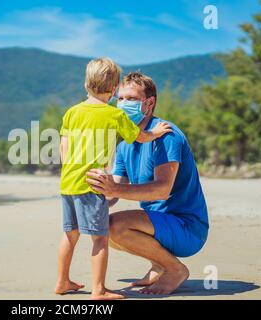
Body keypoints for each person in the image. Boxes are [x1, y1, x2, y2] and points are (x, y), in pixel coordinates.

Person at [55, 59, 171, 300]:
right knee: (100, 238)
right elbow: (139, 137)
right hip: (92, 184)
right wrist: (156, 133)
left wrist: (71, 170)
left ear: (86, 83)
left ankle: (62, 281)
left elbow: (63, 147)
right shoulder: (114, 114)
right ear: (114, 87)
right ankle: (98, 290)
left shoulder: (72, 112)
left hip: (68, 183)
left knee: (70, 234)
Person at [86, 71, 209, 295]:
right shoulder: (125, 144)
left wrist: (114, 188)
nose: (123, 104)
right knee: (101, 225)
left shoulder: (166, 135)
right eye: (120, 98)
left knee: (116, 226)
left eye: (131, 99)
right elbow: (113, 194)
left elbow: (162, 191)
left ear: (149, 103)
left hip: (188, 229)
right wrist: (92, 192)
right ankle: (160, 265)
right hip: (160, 225)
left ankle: (174, 269)